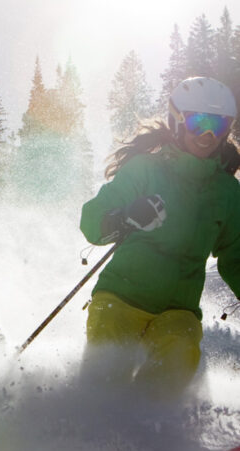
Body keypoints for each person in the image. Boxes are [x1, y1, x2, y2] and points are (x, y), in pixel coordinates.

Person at [79, 76, 240, 398]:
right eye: (199, 123)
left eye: (219, 126)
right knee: (108, 372)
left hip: (178, 309)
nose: (209, 135)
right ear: (177, 120)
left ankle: (146, 432)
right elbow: (93, 221)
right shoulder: (145, 169)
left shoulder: (227, 192)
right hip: (121, 298)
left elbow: (236, 255)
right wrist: (124, 217)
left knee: (180, 356)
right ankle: (91, 426)